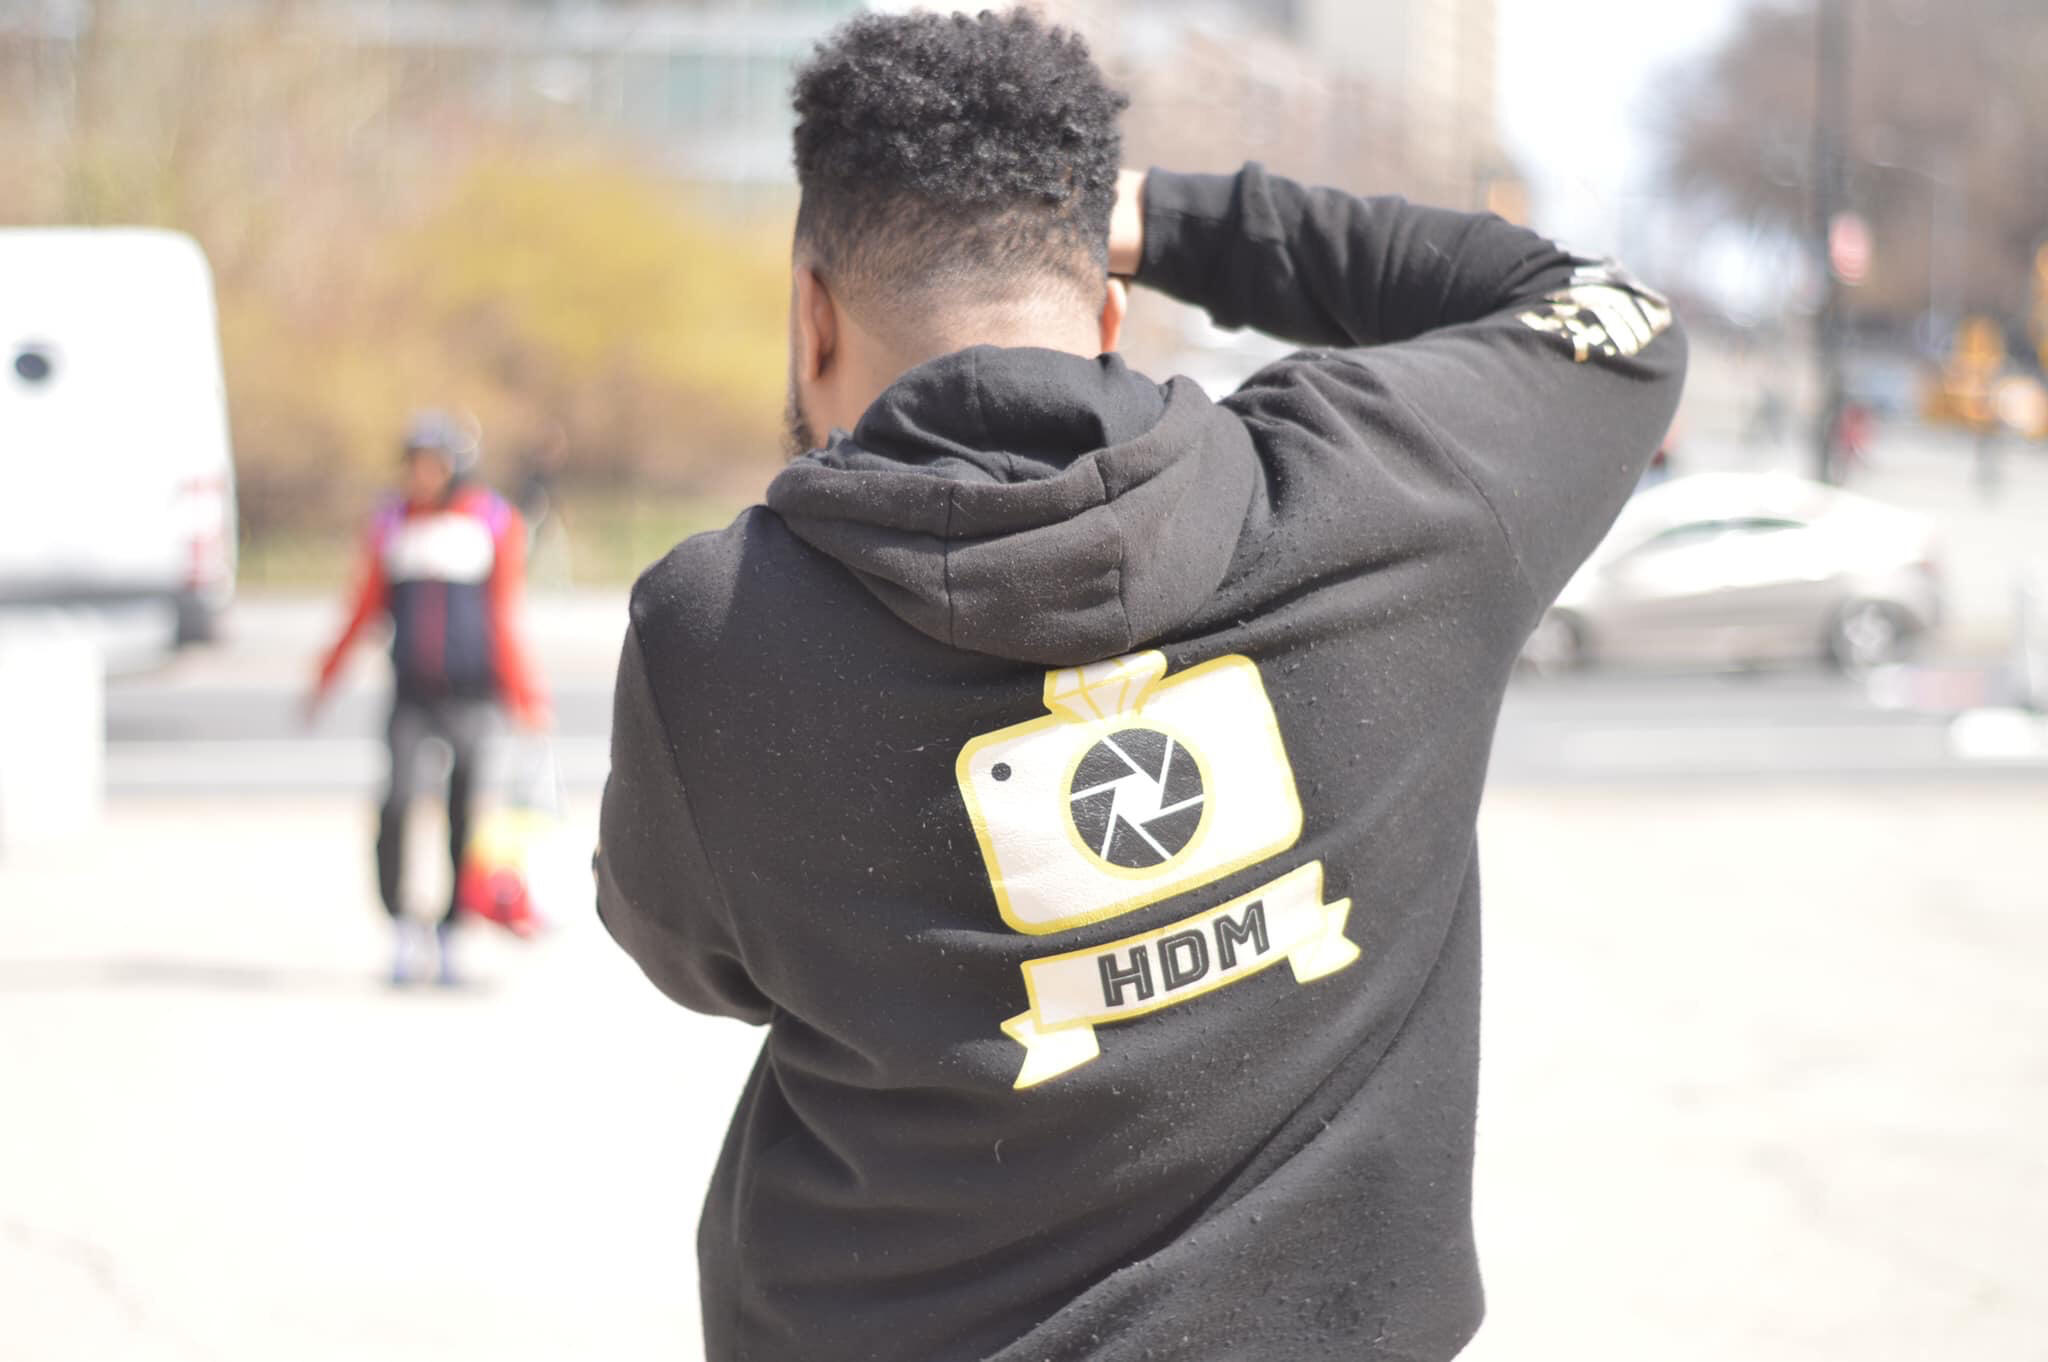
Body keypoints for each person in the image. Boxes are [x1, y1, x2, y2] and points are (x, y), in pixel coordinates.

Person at [594, 10, 1685, 1361]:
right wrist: (1169, 220)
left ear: (812, 314)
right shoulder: (1399, 494)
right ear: (1110, 307)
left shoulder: (717, 634)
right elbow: (1618, 315)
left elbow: (691, 955)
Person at [309, 411, 550, 986]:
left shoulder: (492, 520)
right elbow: (364, 607)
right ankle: (399, 924)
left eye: (433, 464)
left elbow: (504, 615)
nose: (421, 475)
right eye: (414, 464)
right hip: (412, 693)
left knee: (463, 811)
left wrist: (526, 696)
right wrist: (327, 676)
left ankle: (449, 934)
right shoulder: (392, 522)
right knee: (396, 802)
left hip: (473, 694)